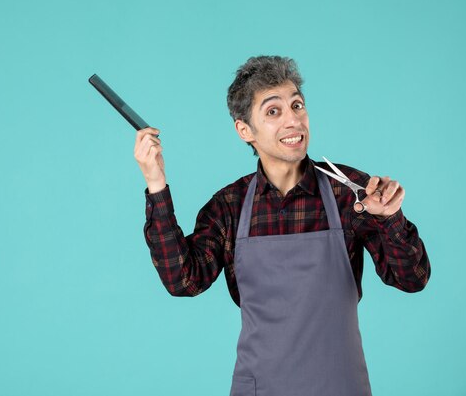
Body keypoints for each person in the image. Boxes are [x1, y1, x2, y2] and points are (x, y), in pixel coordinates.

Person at [133, 55, 431, 395]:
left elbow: (413, 278)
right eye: (273, 112)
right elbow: (183, 280)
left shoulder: (349, 192)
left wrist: (389, 217)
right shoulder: (229, 206)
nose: (293, 121)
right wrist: (156, 182)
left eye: (297, 105)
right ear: (245, 130)